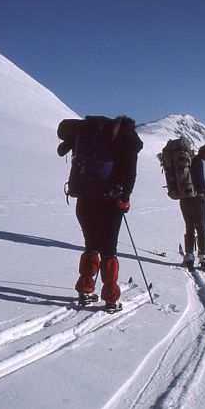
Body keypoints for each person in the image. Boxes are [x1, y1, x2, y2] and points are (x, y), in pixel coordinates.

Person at [62, 115, 143, 313]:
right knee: (109, 250)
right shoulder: (126, 137)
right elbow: (130, 173)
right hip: (109, 202)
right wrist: (124, 198)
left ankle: (86, 290)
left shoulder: (89, 134)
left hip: (84, 198)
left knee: (91, 246)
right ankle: (111, 299)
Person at [181, 143, 205, 270]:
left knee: (189, 226)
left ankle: (189, 256)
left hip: (185, 198)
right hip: (198, 199)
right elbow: (203, 181)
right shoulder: (200, 161)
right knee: (201, 227)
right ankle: (203, 256)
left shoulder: (191, 160)